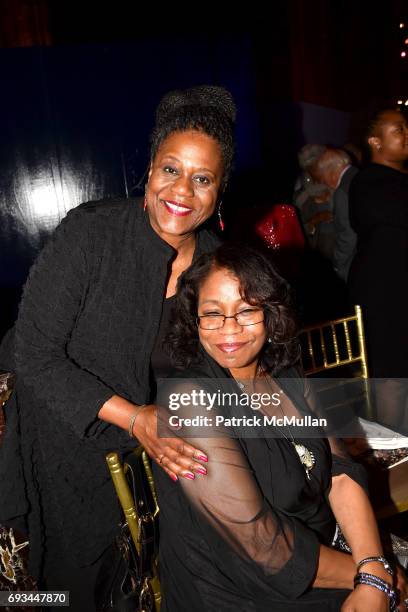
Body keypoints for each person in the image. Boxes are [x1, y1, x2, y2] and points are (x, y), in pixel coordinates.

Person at [0, 85, 236, 610]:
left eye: (203, 179)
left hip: (149, 444)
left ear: (220, 191)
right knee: (64, 582)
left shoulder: (219, 266)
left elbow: (225, 366)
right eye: (171, 169)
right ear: (150, 168)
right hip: (55, 426)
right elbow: (34, 354)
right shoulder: (92, 232)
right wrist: (137, 420)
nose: (183, 191)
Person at [154, 244, 407, 611]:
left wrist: (372, 563)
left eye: (246, 310)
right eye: (212, 313)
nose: (229, 329)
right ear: (195, 320)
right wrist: (373, 575)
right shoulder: (189, 401)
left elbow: (340, 471)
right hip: (246, 592)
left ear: (271, 313)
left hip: (327, 555)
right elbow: (263, 547)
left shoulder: (285, 373)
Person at [348, 108, 408, 432]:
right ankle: (394, 446)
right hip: (384, 292)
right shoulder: (368, 182)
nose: (407, 133)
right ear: (375, 141)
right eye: (398, 129)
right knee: (391, 375)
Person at [313, 149, 358, 282]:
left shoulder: (342, 192)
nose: (324, 182)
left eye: (322, 177)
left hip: (353, 259)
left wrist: (337, 263)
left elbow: (347, 234)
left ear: (330, 171)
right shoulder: (359, 174)